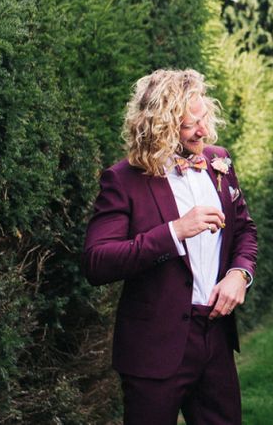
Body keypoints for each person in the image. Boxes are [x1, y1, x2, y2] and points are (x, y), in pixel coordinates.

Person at [83, 69, 257, 425]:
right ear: (159, 125)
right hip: (153, 346)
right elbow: (97, 261)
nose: (203, 131)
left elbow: (245, 232)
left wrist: (240, 274)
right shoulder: (123, 179)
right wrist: (175, 231)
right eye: (189, 125)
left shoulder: (218, 163)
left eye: (203, 118)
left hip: (216, 338)